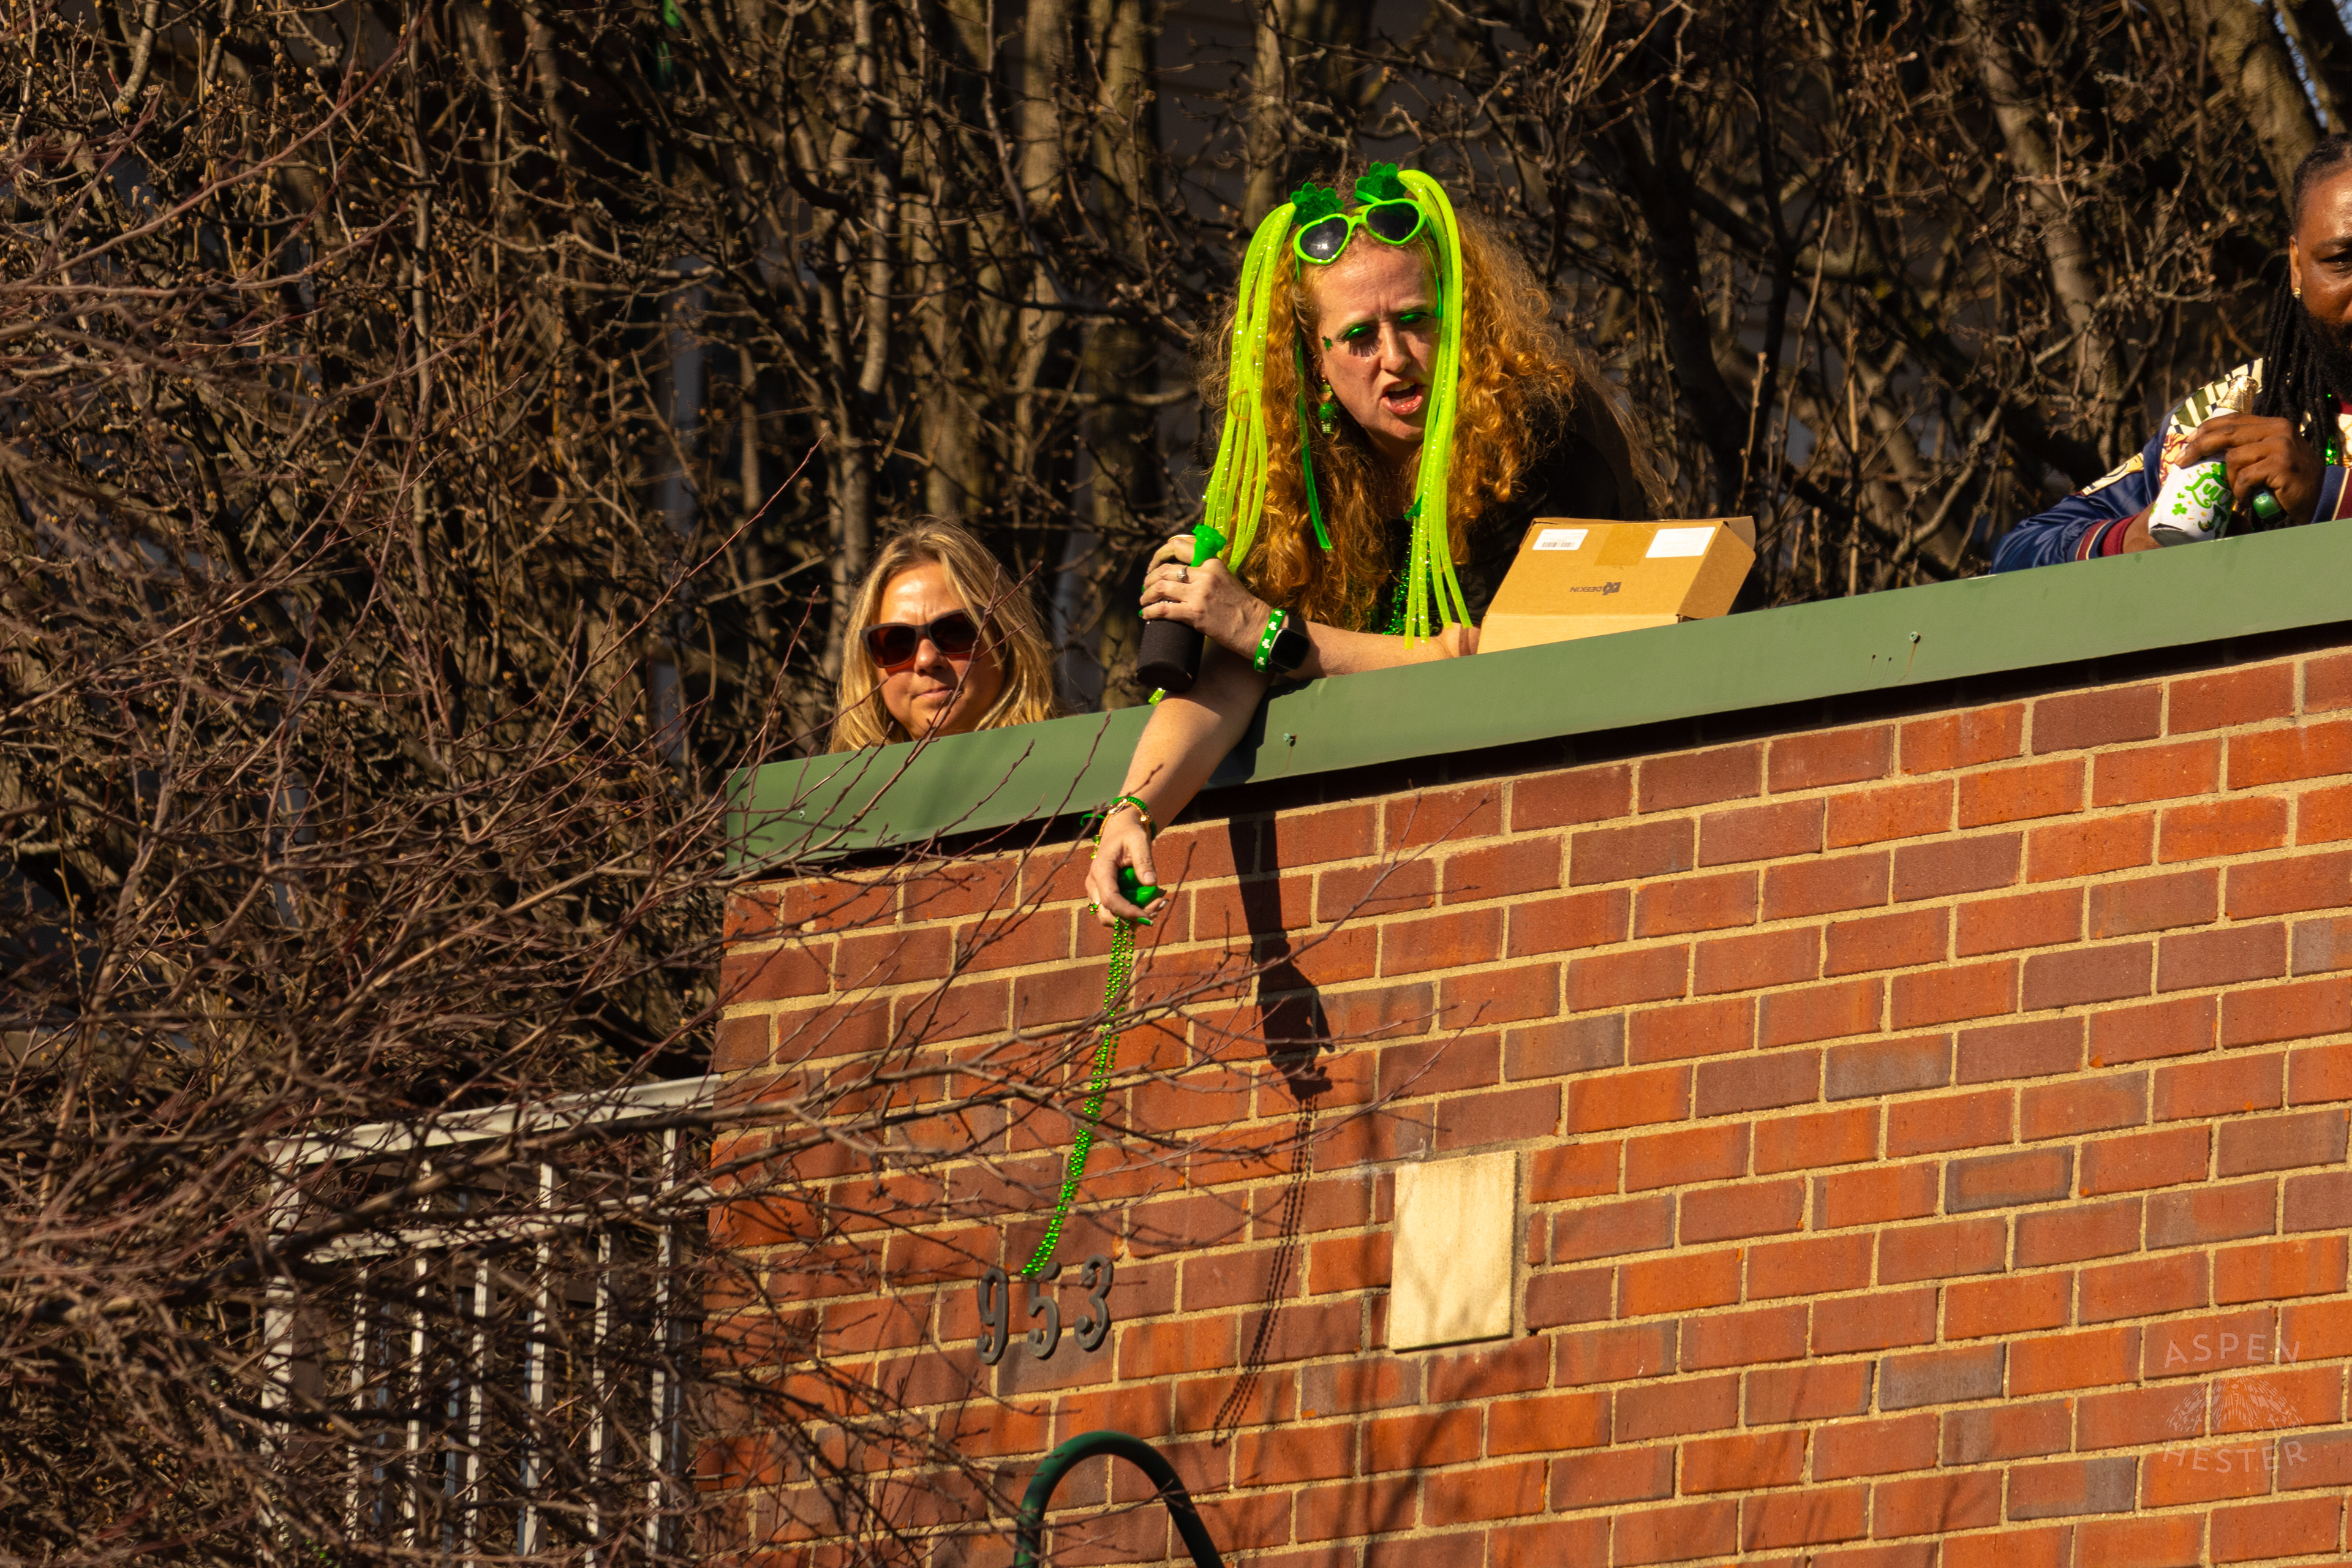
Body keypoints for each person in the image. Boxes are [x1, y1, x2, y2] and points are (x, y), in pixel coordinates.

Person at [1084, 162, 1649, 921]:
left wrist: (1271, 632)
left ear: (1459, 315)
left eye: (1414, 318)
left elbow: (1513, 658)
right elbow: (1229, 676)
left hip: (1575, 824)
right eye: (1357, 336)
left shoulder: (1539, 428)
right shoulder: (1299, 479)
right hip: (1400, 864)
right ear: (1315, 366)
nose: (1394, 354)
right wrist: (1135, 810)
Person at [1994, 134, 2352, 568]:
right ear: (2296, 265)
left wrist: (2329, 499)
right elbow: (2017, 555)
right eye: (2342, 261)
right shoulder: (2228, 412)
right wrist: (2130, 538)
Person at [829, 518, 1060, 750]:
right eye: (896, 642)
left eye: (955, 631)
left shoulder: (1079, 765)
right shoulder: (841, 786)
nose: (926, 660)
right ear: (869, 669)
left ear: (1005, 639)